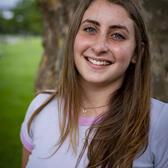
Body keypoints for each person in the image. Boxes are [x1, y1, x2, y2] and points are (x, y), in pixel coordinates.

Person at [20, 0, 168, 167]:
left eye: (117, 35)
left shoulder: (161, 121)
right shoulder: (41, 107)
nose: (99, 47)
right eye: (90, 29)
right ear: (74, 38)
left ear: (136, 53)